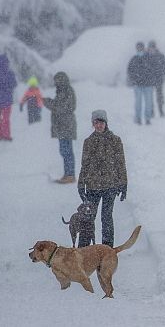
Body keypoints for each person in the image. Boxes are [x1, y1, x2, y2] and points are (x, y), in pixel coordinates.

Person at [77, 110, 128, 247]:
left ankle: (107, 249)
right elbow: (85, 165)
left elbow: (120, 164)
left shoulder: (115, 140)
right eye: (96, 122)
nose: (99, 125)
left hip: (110, 187)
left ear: (106, 123)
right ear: (93, 124)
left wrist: (123, 184)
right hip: (92, 187)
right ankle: (83, 250)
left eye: (101, 122)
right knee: (88, 218)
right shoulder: (88, 142)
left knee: (106, 218)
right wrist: (81, 184)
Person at [43, 72, 77, 184]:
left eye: (57, 80)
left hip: (66, 126)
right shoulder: (63, 91)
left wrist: (47, 102)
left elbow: (61, 107)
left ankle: (70, 175)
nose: (55, 83)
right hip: (63, 126)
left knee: (66, 151)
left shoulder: (67, 91)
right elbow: (59, 106)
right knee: (64, 151)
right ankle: (68, 174)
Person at [127, 42, 155, 125]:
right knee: (138, 103)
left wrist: (152, 80)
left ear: (143, 48)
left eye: (140, 47)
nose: (139, 49)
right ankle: (138, 118)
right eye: (138, 48)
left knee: (148, 103)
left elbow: (154, 70)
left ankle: (147, 118)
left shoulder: (149, 58)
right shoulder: (134, 58)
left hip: (148, 85)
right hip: (138, 85)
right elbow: (129, 70)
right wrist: (133, 80)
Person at [147, 41, 165, 118]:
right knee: (150, 97)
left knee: (159, 96)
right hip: (149, 80)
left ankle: (161, 110)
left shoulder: (160, 55)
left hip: (159, 79)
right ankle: (151, 111)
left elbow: (164, 66)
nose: (152, 49)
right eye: (150, 47)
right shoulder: (146, 56)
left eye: (153, 47)